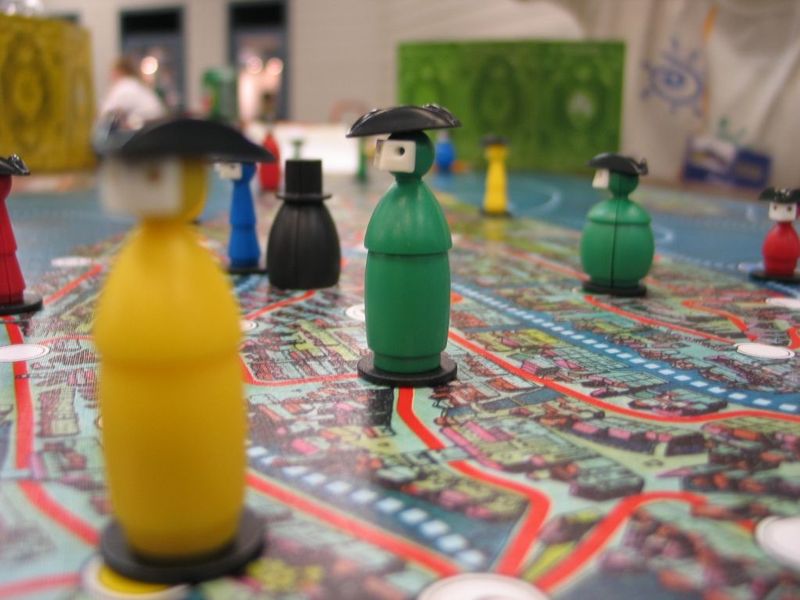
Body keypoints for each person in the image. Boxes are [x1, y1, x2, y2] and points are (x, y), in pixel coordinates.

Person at [99, 57, 165, 128]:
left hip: (149, 130)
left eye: (112, 72)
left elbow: (105, 115)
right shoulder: (137, 84)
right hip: (160, 127)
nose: (109, 77)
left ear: (118, 71)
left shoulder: (124, 85)